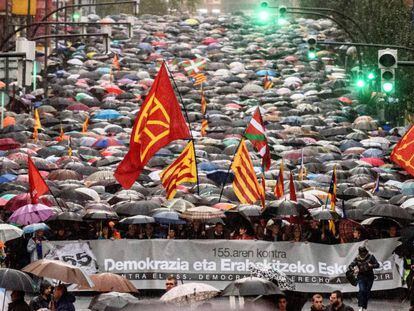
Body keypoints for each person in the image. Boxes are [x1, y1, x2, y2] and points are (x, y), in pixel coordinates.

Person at [348, 246, 379, 311]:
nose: (362, 254)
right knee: (362, 290)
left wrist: (372, 265)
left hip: (370, 276)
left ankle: (364, 307)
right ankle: (360, 306)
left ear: (365, 252)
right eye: (361, 253)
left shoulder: (371, 257)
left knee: (367, 292)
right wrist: (353, 269)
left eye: (363, 252)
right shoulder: (357, 258)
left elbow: (377, 265)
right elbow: (350, 265)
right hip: (361, 276)